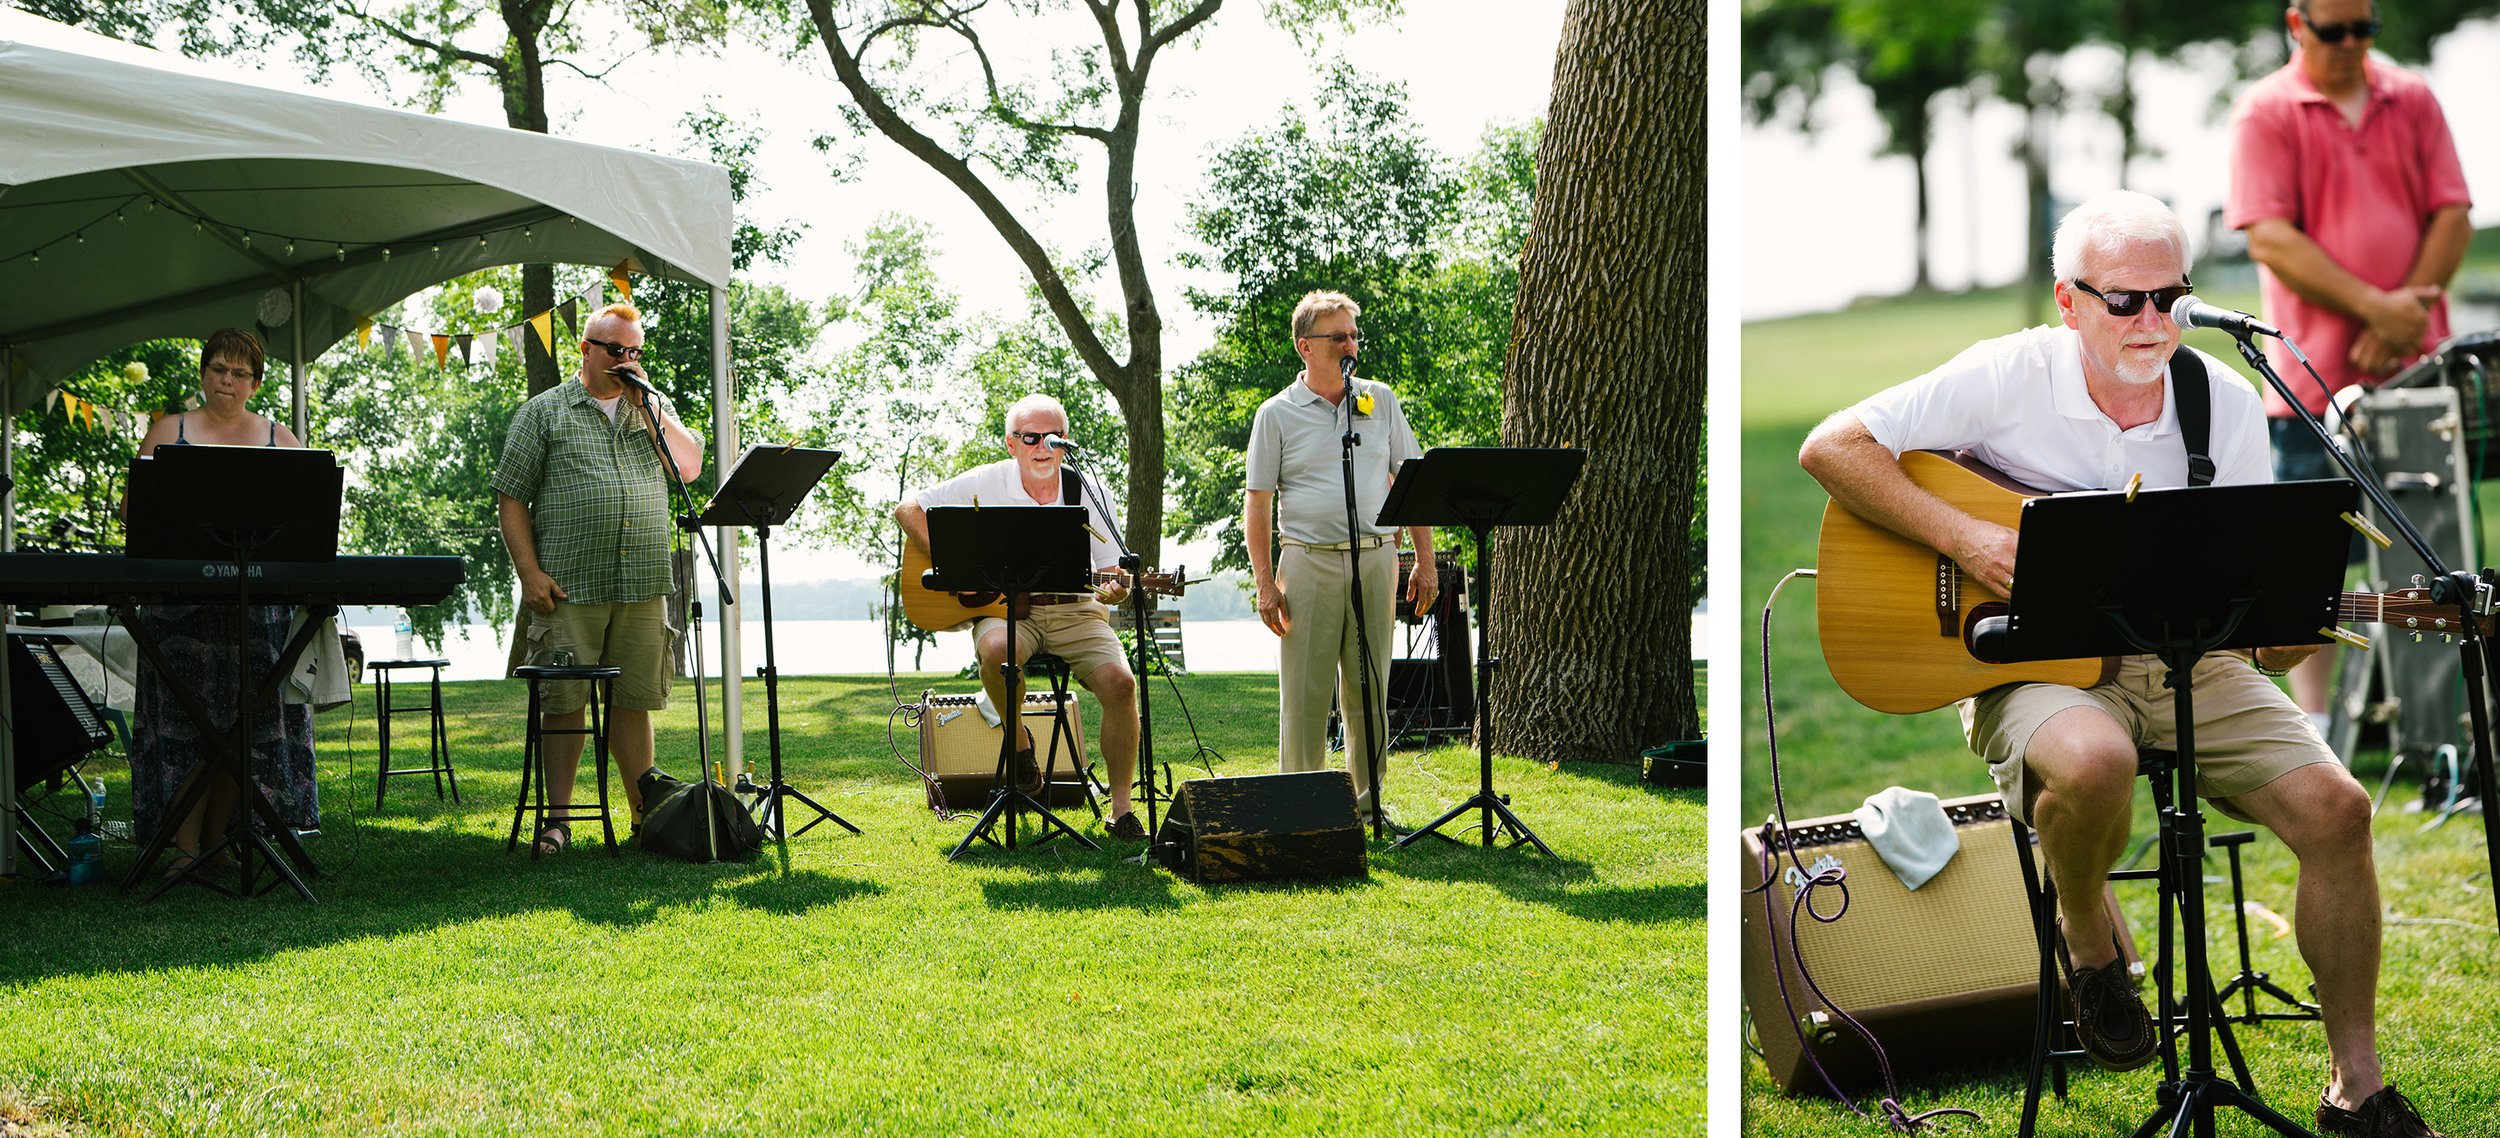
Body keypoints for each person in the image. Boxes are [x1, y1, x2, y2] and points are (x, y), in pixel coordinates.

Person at [1799, 192, 2445, 1138]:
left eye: (2170, 298)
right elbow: (1832, 447)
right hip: (2025, 665)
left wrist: (2291, 622)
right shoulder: (2007, 374)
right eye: (2123, 301)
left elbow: (2253, 618)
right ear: (2068, 302)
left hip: (2180, 655)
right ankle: (2091, 941)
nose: (2152, 322)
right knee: (2097, 762)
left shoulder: (2221, 400)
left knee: (2339, 810)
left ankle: (2357, 1087)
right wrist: (1973, 542)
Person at [2227, 0, 2474, 718]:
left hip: (2416, 368)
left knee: (2429, 544)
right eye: (2334, 31)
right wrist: (2380, 308)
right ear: (2296, 24)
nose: (2350, 44)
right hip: (2310, 379)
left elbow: (2453, 213)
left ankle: (2438, 713)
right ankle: (2316, 718)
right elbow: (2270, 238)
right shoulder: (2263, 111)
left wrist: (2405, 321)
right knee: (2310, 559)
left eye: (2363, 29)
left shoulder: (2414, 97)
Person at [492, 302, 703, 854]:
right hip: (568, 585)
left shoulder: (650, 408)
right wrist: (529, 572)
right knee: (564, 701)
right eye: (615, 350)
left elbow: (689, 468)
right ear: (586, 349)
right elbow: (510, 498)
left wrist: (652, 408)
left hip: (642, 581)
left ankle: (645, 818)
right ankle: (557, 822)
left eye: (634, 352)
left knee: (634, 701)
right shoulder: (545, 412)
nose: (625, 361)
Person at [894, 395, 1147, 840]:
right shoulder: (985, 481)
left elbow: (1113, 572)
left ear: (1065, 442)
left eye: (1053, 438)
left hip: (1077, 612)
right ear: (1012, 444)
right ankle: (1018, 745)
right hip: (1008, 610)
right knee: (994, 650)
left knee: (1123, 685)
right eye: (1031, 438)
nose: (1042, 447)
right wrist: (955, 565)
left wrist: (1118, 586)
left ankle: (1121, 809)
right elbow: (908, 508)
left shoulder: (1087, 489)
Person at [1243, 290, 1436, 829]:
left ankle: (1367, 810)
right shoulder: (1275, 414)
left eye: (1354, 335)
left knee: (1368, 689)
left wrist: (1424, 561)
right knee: (1305, 696)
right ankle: (1302, 811)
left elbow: (1412, 481)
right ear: (1306, 347)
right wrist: (1265, 583)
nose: (1351, 345)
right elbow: (1257, 503)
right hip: (1307, 562)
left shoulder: (1380, 401)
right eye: (1339, 337)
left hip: (1377, 559)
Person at [129, 328, 316, 873]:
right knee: (185, 729)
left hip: (256, 613)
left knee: (246, 727)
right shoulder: (168, 430)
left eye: (238, 374)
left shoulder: (282, 440)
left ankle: (218, 843)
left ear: (255, 383)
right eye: (217, 370)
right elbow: (132, 513)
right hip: (177, 612)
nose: (226, 381)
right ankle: (186, 850)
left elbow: (305, 522)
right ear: (204, 373)